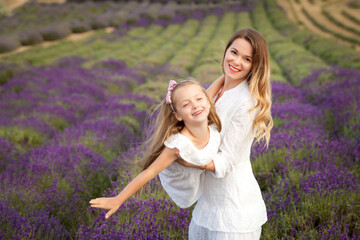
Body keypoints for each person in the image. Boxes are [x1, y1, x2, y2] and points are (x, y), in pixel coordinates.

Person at [177, 28, 273, 240]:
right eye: (234, 52)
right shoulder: (220, 89)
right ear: (226, 50)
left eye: (247, 59)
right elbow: (206, 102)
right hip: (208, 204)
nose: (237, 61)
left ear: (255, 66)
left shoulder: (247, 103)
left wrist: (187, 160)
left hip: (233, 211)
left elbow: (226, 161)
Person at [89, 79, 222, 218]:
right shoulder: (178, 146)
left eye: (199, 99)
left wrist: (231, 73)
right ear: (178, 115)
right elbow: (150, 172)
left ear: (207, 101)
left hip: (204, 176)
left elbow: (216, 85)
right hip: (186, 185)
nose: (195, 105)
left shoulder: (205, 109)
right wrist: (118, 199)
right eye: (186, 104)